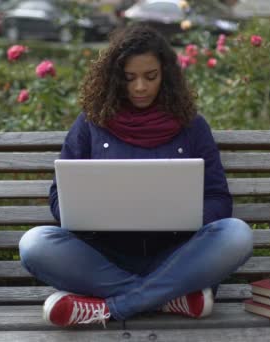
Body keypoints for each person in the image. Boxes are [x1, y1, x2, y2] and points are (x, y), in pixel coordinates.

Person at [18, 23, 253, 328]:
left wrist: (184, 216)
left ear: (165, 75)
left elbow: (219, 198)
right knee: (34, 244)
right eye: (129, 78)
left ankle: (112, 307)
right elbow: (57, 197)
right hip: (104, 257)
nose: (140, 87)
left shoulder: (192, 126)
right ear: (116, 78)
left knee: (237, 235)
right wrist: (86, 213)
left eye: (150, 77)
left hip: (177, 256)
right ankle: (169, 299)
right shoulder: (91, 123)